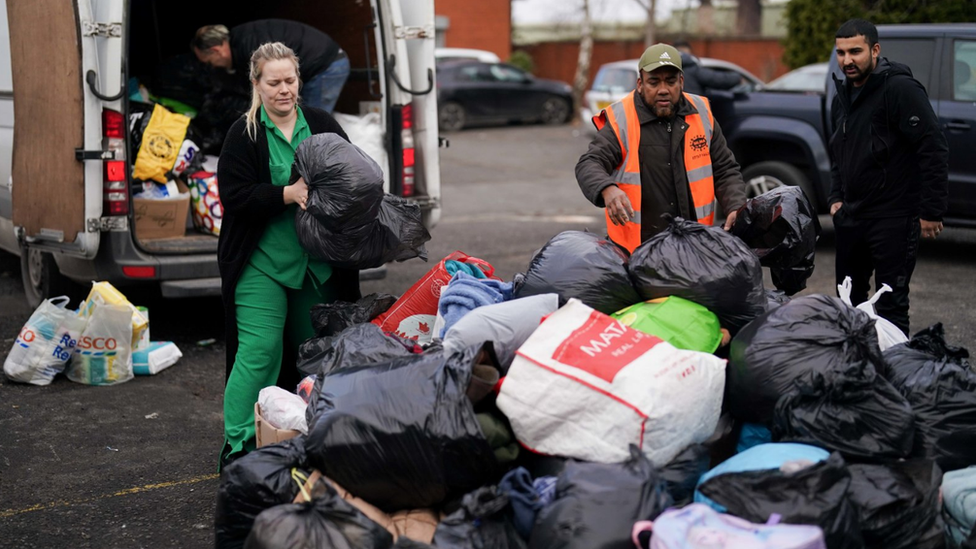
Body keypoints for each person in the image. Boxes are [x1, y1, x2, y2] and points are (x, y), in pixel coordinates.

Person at [216, 42, 361, 468]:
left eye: (290, 81)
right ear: (257, 85)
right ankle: (239, 445)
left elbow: (351, 173)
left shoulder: (319, 123)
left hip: (313, 264)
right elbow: (234, 195)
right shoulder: (244, 134)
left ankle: (306, 436)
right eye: (274, 82)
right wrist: (286, 193)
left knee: (314, 354)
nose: (284, 90)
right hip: (261, 262)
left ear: (300, 80)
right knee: (259, 351)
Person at [828, 19, 948, 335]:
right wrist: (836, 198)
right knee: (847, 302)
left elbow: (932, 146)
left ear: (875, 50)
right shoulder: (841, 95)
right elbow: (838, 152)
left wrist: (931, 210)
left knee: (891, 305)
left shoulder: (899, 88)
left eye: (855, 51)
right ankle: (854, 370)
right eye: (841, 53)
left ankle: (893, 373)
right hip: (852, 215)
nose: (847, 60)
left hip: (893, 216)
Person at [576, 44, 747, 252]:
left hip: (694, 246)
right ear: (640, 84)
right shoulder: (621, 119)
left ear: (681, 82)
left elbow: (725, 169)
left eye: (671, 81)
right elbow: (589, 163)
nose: (663, 89)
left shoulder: (702, 113)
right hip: (637, 252)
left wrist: (735, 205)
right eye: (654, 82)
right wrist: (606, 188)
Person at [193, 20, 350, 113]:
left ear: (216, 51)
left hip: (326, 67)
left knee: (311, 127)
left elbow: (270, 89)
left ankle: (312, 167)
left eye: (208, 61)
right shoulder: (239, 40)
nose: (212, 66)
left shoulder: (249, 49)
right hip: (324, 61)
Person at [672, 40, 743, 96]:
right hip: (692, 110)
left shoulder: (664, 70)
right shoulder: (694, 70)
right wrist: (737, 77)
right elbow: (719, 80)